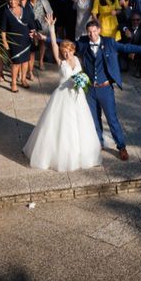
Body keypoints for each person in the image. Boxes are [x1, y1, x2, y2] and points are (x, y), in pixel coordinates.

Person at [22, 16, 102, 172]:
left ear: (73, 50)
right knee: (61, 127)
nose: (66, 54)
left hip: (77, 98)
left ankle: (81, 155)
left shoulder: (78, 60)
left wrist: (84, 81)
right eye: (64, 52)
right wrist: (51, 28)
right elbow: (53, 44)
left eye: (68, 51)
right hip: (63, 97)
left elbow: (84, 74)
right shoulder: (61, 62)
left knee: (81, 126)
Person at [76, 20, 141, 161]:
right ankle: (99, 142)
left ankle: (121, 146)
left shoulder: (109, 43)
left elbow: (127, 48)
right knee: (94, 118)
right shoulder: (83, 42)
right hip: (91, 89)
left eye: (94, 31)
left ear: (99, 30)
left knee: (112, 119)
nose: (92, 34)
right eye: (89, 32)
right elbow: (66, 43)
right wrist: (46, 37)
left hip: (105, 88)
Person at [1, 0, 35, 93]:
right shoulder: (6, 12)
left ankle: (23, 79)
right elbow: (3, 30)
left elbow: (31, 24)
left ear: (18, 0)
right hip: (13, 42)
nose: (12, 1)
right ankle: (14, 83)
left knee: (25, 62)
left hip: (25, 40)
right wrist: (4, 42)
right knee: (16, 63)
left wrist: (33, 34)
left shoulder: (25, 10)